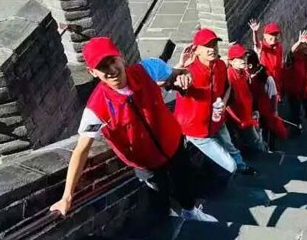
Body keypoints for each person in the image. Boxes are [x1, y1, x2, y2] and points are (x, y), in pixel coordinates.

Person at [49, 37, 218, 222]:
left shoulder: (148, 69)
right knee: (159, 197)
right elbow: (81, 149)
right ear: (92, 72)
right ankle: (169, 220)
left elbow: (177, 74)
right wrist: (67, 197)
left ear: (121, 57)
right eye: (102, 66)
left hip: (173, 143)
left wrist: (184, 75)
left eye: (112, 60)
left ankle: (190, 211)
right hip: (146, 163)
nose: (112, 70)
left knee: (184, 181)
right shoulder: (97, 108)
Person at [175, 28, 257, 175]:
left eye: (214, 45)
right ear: (197, 50)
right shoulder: (188, 71)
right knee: (230, 166)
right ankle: (230, 178)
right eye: (207, 46)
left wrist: (223, 103)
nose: (212, 49)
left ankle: (242, 167)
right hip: (197, 129)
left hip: (217, 120)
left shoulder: (220, 66)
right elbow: (171, 83)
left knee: (230, 146)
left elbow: (227, 87)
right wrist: (179, 73)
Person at [225, 43, 266, 154]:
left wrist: (254, 110)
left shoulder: (244, 73)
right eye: (239, 58)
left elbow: (248, 95)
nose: (243, 60)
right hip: (240, 119)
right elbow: (228, 103)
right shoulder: (228, 76)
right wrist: (239, 120)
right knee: (255, 143)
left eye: (243, 56)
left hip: (248, 115)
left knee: (255, 140)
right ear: (231, 61)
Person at [246, 49, 288, 150]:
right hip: (251, 111)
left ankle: (269, 149)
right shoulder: (244, 76)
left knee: (267, 130)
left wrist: (275, 111)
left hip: (264, 112)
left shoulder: (266, 78)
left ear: (250, 65)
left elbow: (273, 95)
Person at [284, 30, 307, 136]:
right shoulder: (295, 57)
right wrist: (298, 42)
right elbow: (290, 53)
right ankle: (297, 127)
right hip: (295, 89)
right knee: (295, 111)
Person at [249, 19, 284, 101]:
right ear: (265, 36)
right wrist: (255, 32)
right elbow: (256, 43)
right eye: (271, 34)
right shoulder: (262, 46)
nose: (274, 37)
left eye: (276, 34)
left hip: (277, 84)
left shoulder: (279, 47)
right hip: (265, 84)